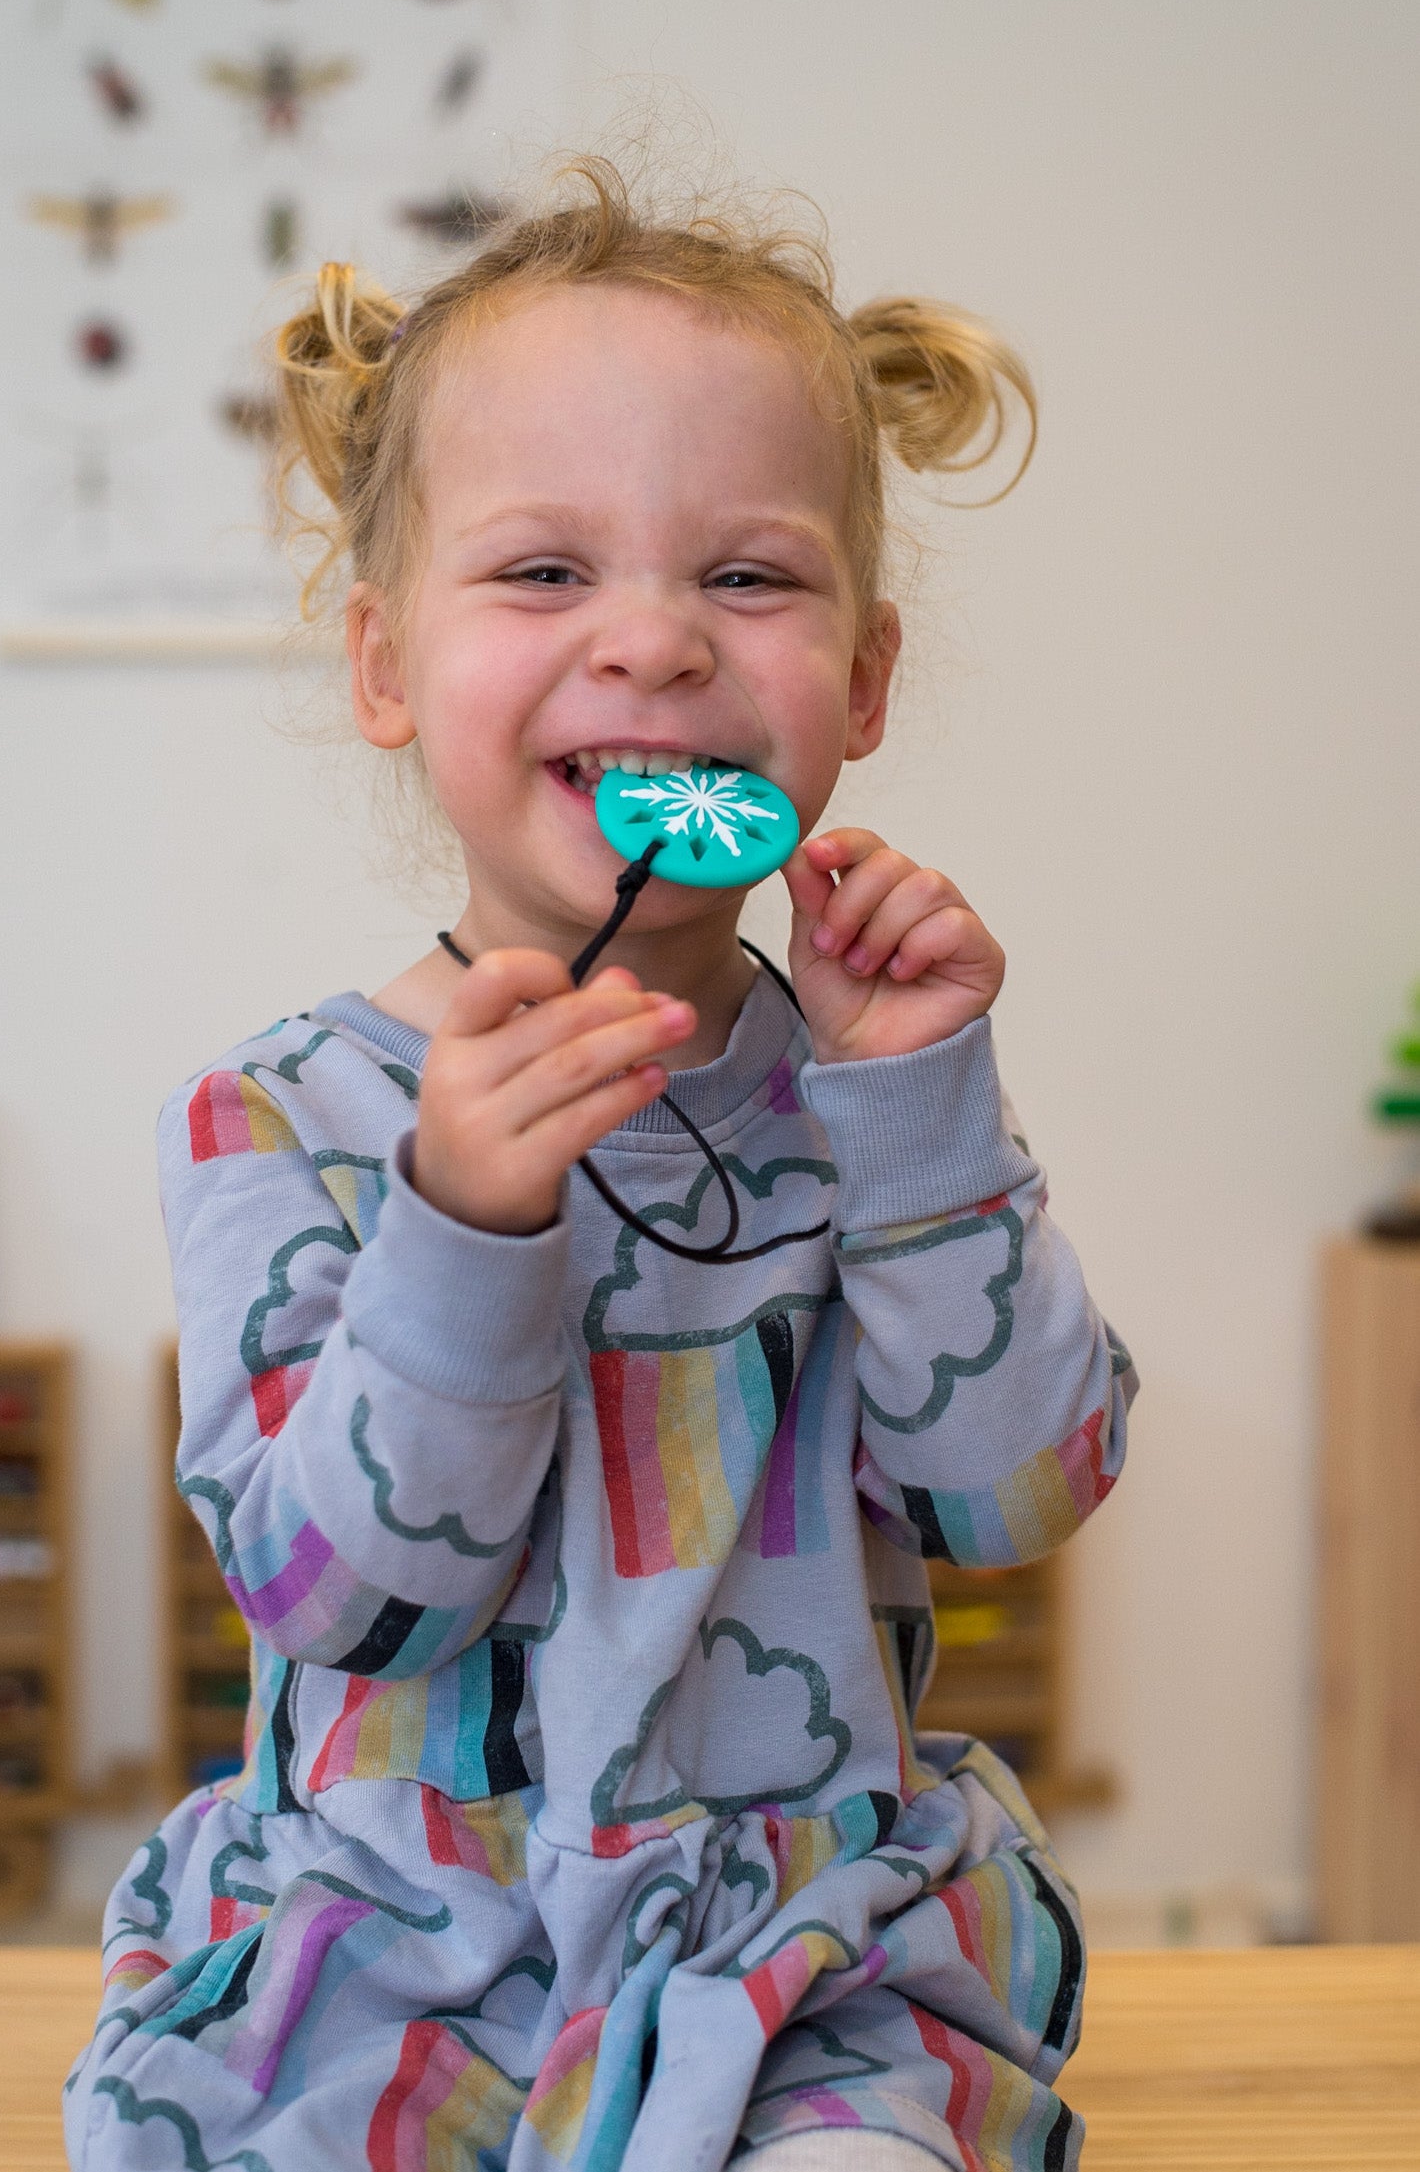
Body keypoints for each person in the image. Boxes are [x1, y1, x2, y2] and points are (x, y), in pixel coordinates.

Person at [66, 158, 1134, 2172]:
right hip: (391, 1951)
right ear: (386, 665)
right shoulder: (274, 1116)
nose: (648, 645)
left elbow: (1013, 1495)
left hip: (793, 1952)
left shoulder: (879, 1085)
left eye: (745, 577)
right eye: (544, 571)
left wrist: (917, 1112)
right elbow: (337, 1597)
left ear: (864, 679)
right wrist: (464, 1226)